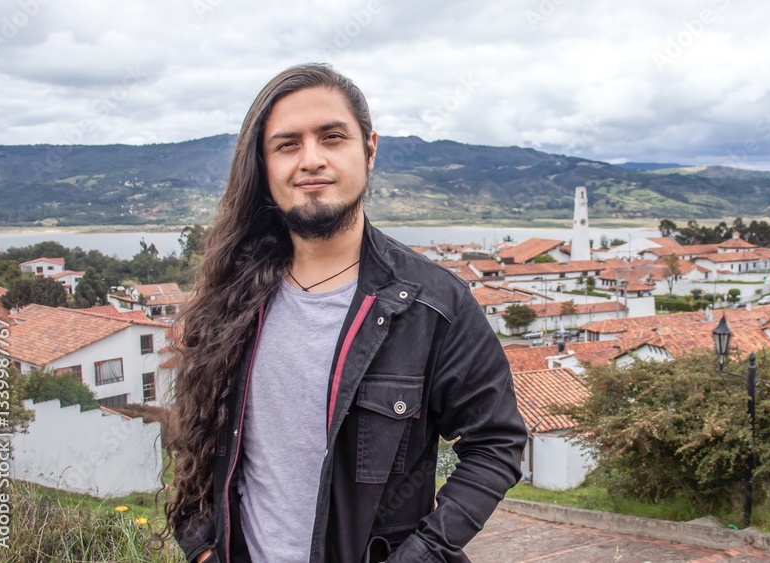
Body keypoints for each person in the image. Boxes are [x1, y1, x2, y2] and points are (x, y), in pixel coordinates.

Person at [165, 63, 527, 562]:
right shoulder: (228, 298)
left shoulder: (432, 304)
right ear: (264, 165)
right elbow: (196, 434)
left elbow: (496, 442)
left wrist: (422, 554)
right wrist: (202, 546)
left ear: (369, 150)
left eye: (332, 137)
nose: (311, 160)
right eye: (287, 144)